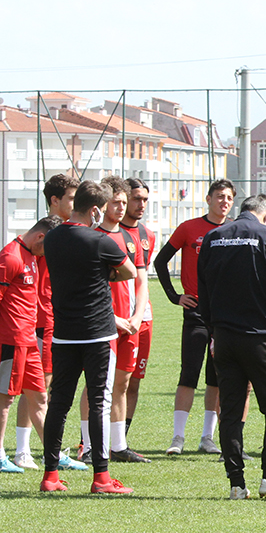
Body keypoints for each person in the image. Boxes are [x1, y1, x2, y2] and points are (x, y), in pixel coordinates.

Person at [39, 180, 137, 494]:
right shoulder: (100, 241)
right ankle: (102, 478)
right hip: (97, 334)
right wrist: (104, 273)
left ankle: (50, 475)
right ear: (95, 210)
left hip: (64, 334)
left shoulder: (52, 238)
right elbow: (130, 272)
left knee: (59, 404)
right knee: (99, 403)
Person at [198, 194, 266, 500]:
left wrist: (213, 326)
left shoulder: (213, 237)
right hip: (259, 337)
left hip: (223, 337)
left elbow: (202, 285)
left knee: (231, 410)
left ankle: (236, 485)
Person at [154, 178, 235, 455]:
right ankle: (177, 438)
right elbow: (160, 260)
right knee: (189, 373)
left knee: (216, 377)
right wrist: (174, 296)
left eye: (229, 198)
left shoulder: (235, 230)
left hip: (224, 314)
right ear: (209, 199)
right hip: (196, 312)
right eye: (220, 196)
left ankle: (207, 437)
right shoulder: (189, 228)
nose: (224, 201)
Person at [15, 175, 87, 474]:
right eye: (71, 198)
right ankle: (25, 450)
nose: (75, 204)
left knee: (39, 388)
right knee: (35, 387)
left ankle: (40, 450)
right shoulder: (45, 237)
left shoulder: (65, 233)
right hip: (41, 321)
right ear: (55, 201)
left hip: (54, 319)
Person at [79, 177, 149, 464]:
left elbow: (142, 280)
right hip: (104, 322)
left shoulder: (132, 237)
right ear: (103, 204)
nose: (121, 208)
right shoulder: (93, 237)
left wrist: (136, 315)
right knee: (96, 384)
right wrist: (113, 318)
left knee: (122, 382)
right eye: (116, 203)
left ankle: (119, 445)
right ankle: (87, 446)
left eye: (124, 203)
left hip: (130, 322)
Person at [0, 218, 60, 473]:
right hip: (11, 340)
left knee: (39, 398)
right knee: (5, 400)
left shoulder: (32, 257)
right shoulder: (10, 257)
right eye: (48, 248)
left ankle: (53, 455)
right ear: (39, 238)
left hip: (29, 341)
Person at [120, 178, 155, 438]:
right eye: (135, 199)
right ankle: (87, 442)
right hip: (118, 317)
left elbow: (142, 279)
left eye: (144, 199)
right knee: (110, 382)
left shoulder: (147, 235)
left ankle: (121, 437)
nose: (140, 204)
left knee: (135, 381)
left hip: (144, 318)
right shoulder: (110, 232)